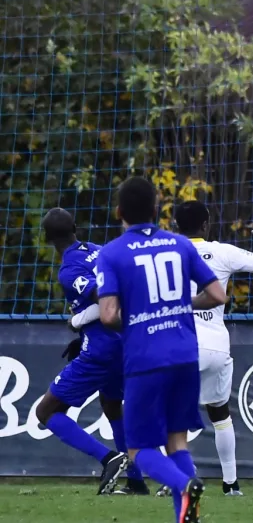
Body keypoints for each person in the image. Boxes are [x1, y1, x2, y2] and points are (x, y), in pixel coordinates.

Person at [95, 176, 228, 522]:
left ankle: (184, 485)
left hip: (146, 358)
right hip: (185, 354)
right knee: (177, 441)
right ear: (156, 210)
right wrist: (182, 304)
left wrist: (141, 316)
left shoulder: (110, 253)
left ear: (119, 211)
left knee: (139, 449)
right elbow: (218, 295)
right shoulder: (180, 244)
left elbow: (108, 315)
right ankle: (184, 514)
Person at [169, 200, 253, 496]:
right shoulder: (222, 251)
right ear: (206, 225)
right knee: (220, 414)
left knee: (171, 414)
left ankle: (179, 478)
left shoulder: (165, 252)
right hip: (215, 347)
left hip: (177, 344)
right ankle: (231, 485)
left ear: (174, 226)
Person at [37, 207, 143, 495]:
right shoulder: (98, 249)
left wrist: (78, 320)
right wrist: (82, 325)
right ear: (75, 228)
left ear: (47, 237)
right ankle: (136, 481)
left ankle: (109, 458)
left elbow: (108, 297)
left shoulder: (69, 270)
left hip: (102, 349)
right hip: (123, 342)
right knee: (111, 405)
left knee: (45, 411)